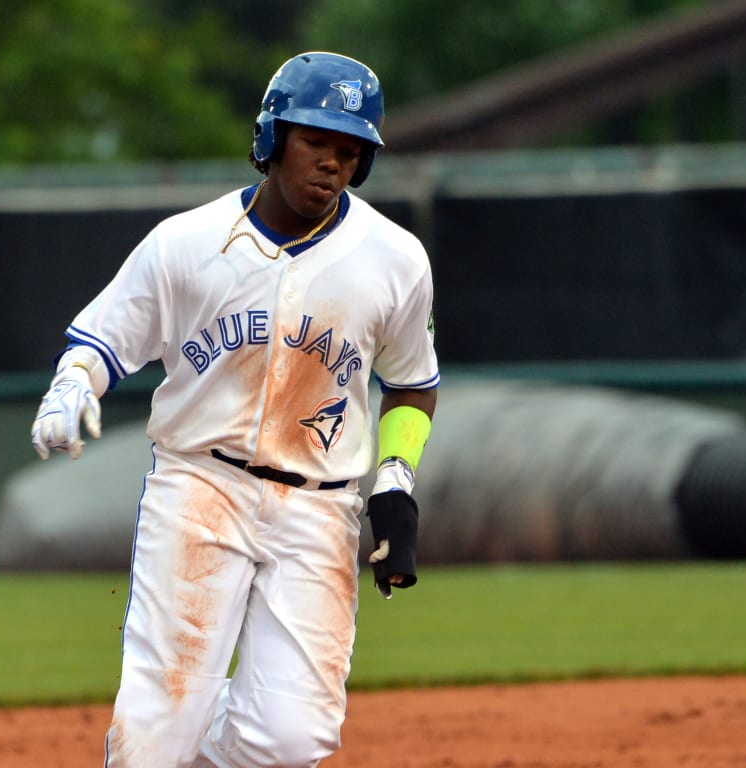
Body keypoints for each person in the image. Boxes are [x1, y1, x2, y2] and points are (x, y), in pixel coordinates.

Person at [29, 51, 440, 767]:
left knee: (290, 741)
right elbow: (101, 339)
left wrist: (398, 475)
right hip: (200, 488)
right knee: (153, 739)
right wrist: (72, 387)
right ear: (273, 138)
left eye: (350, 151)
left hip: (320, 508)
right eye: (316, 141)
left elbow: (412, 380)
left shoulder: (395, 259)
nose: (332, 164)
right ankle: (168, 736)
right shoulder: (185, 243)